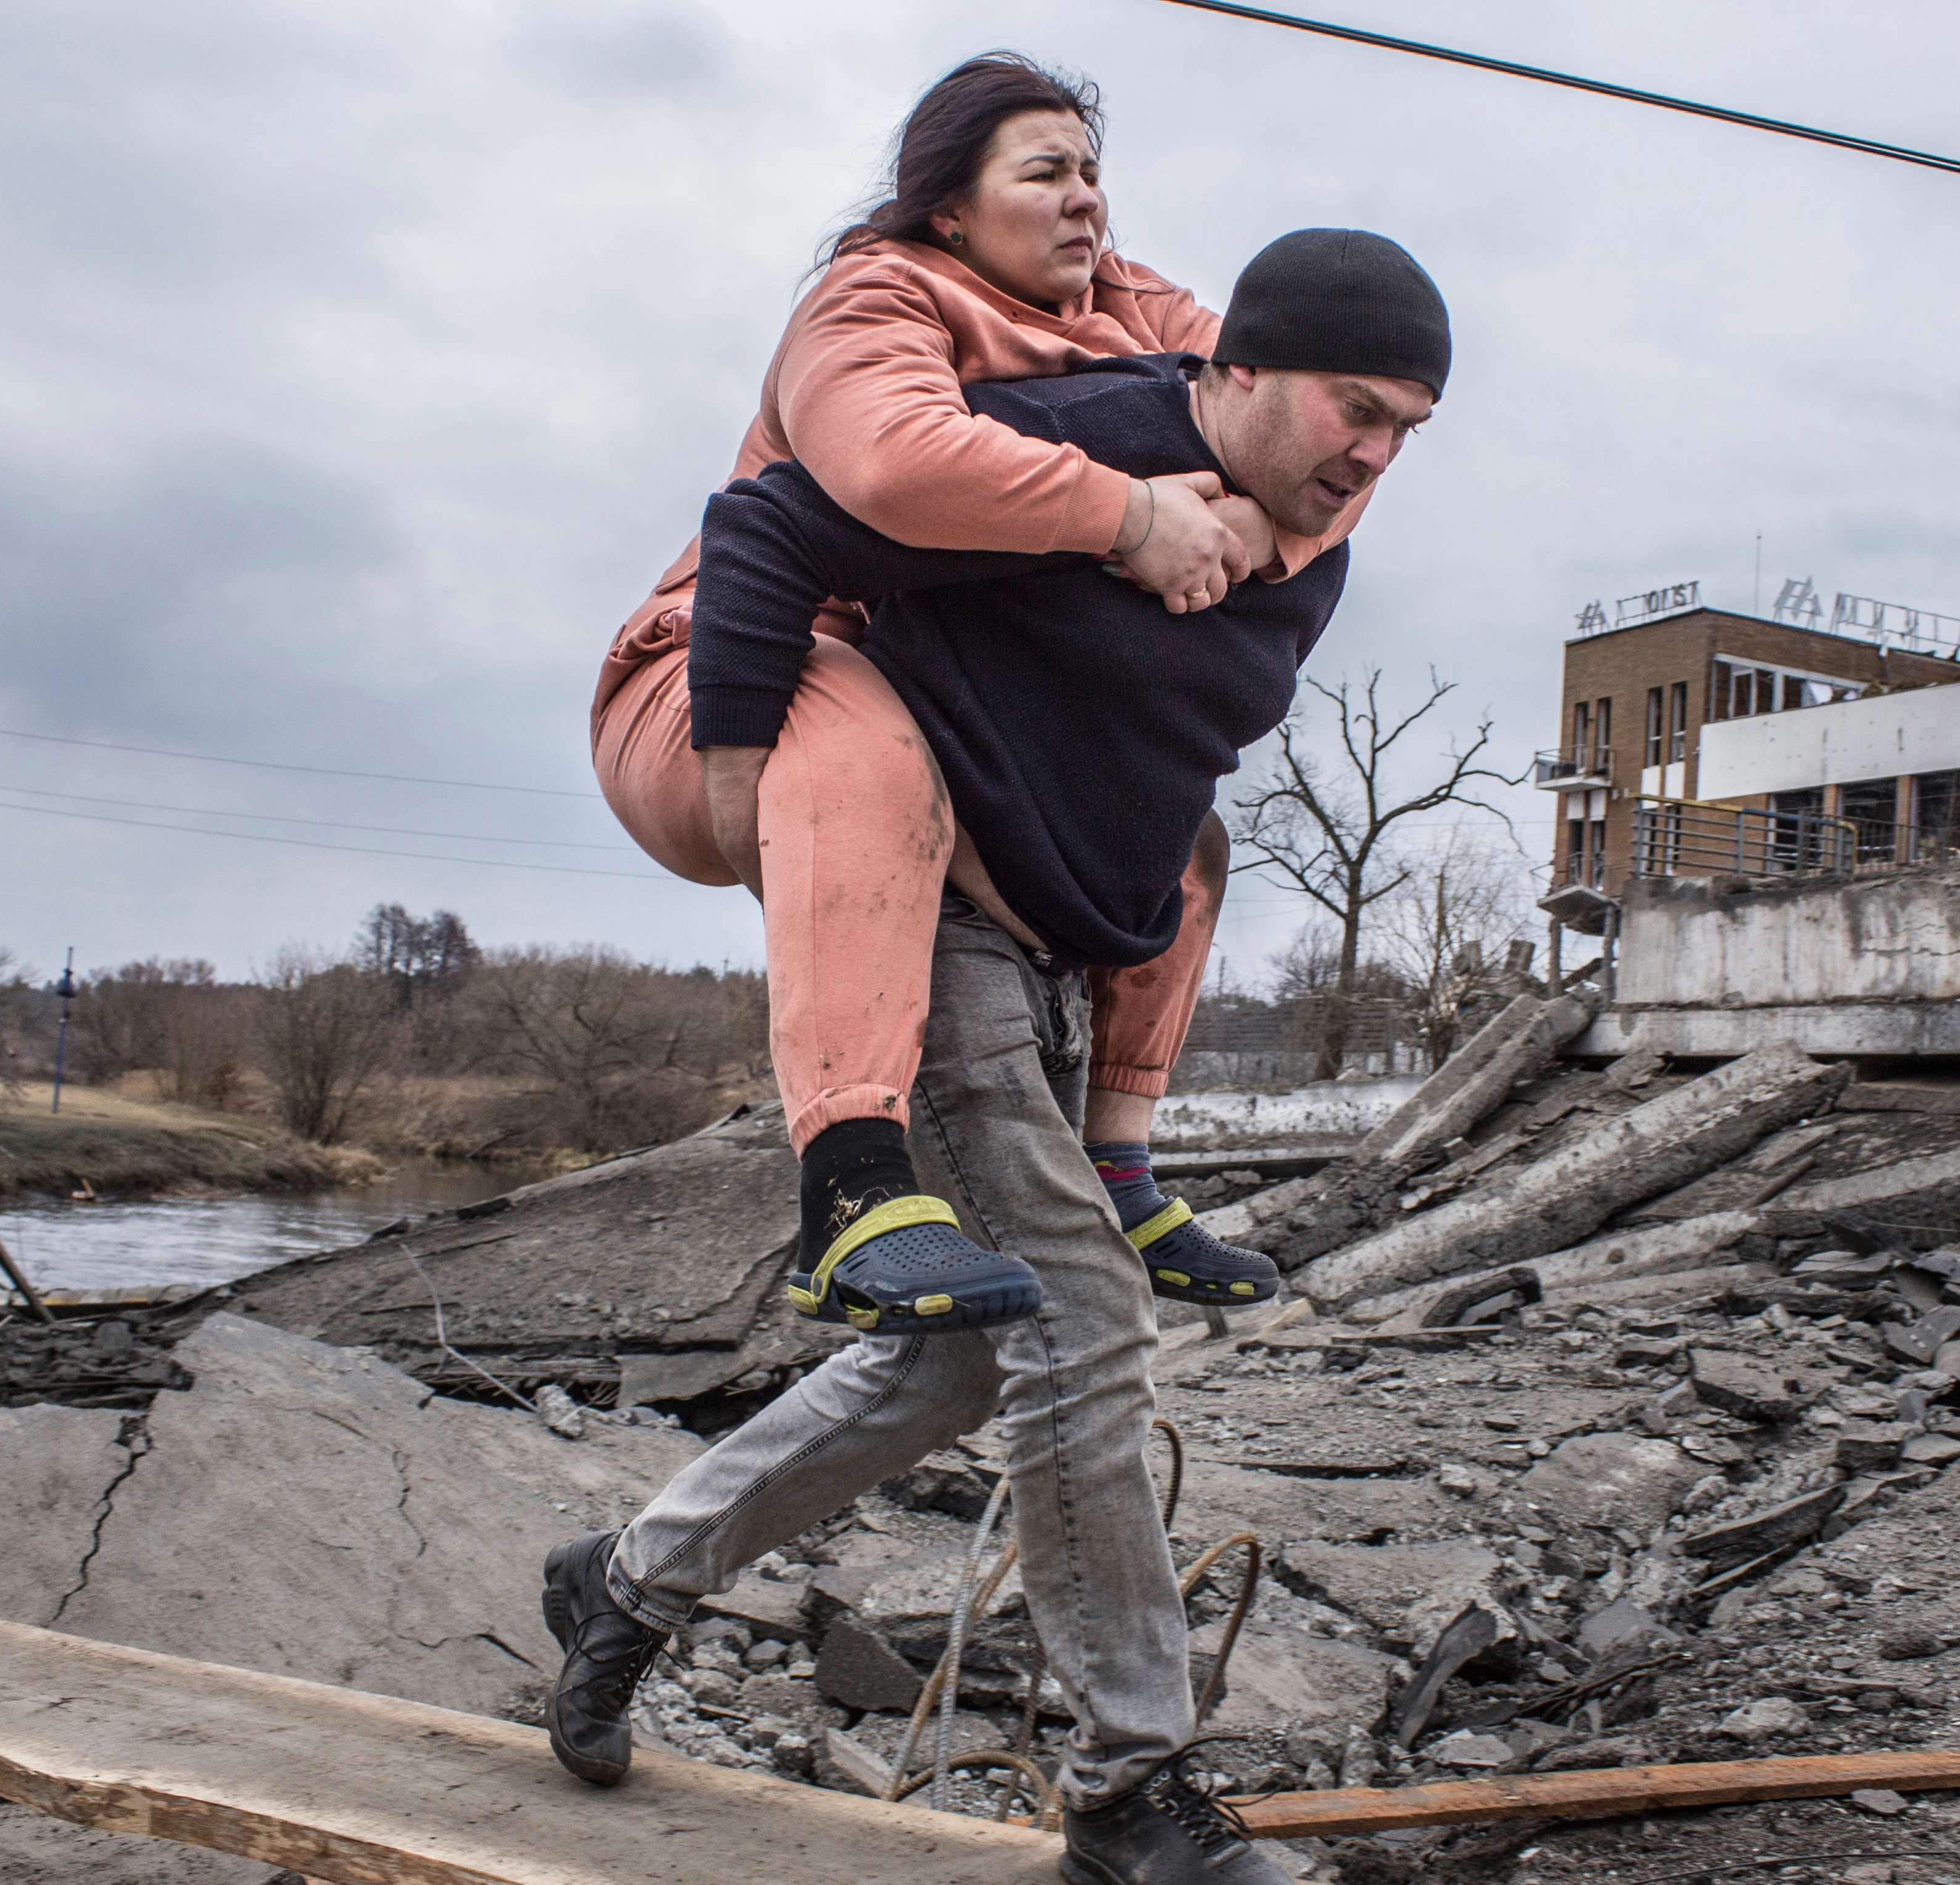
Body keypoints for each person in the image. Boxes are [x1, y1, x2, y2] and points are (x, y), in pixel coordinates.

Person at [549, 228, 1452, 1885]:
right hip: (931, 926)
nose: (1378, 451)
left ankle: (628, 1574)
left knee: (967, 1354)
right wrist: (751, 769)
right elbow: (769, 522)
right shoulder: (1096, 443)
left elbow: (1148, 758)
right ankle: (1126, 1791)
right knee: (1089, 1316)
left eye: (1409, 424)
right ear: (1237, 372)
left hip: (1050, 962)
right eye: (1355, 405)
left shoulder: (1309, 545)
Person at [592, 53, 1370, 1339]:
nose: (1088, 203)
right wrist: (1129, 517)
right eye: (1047, 173)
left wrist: (1243, 524)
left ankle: (1124, 1164)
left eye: (1096, 173)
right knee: (852, 724)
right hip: (722, 675)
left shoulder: (1131, 304)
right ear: (951, 207)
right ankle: (847, 1190)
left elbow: (1309, 430)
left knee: (1189, 850)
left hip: (923, 713)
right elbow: (892, 468)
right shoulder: (873, 298)